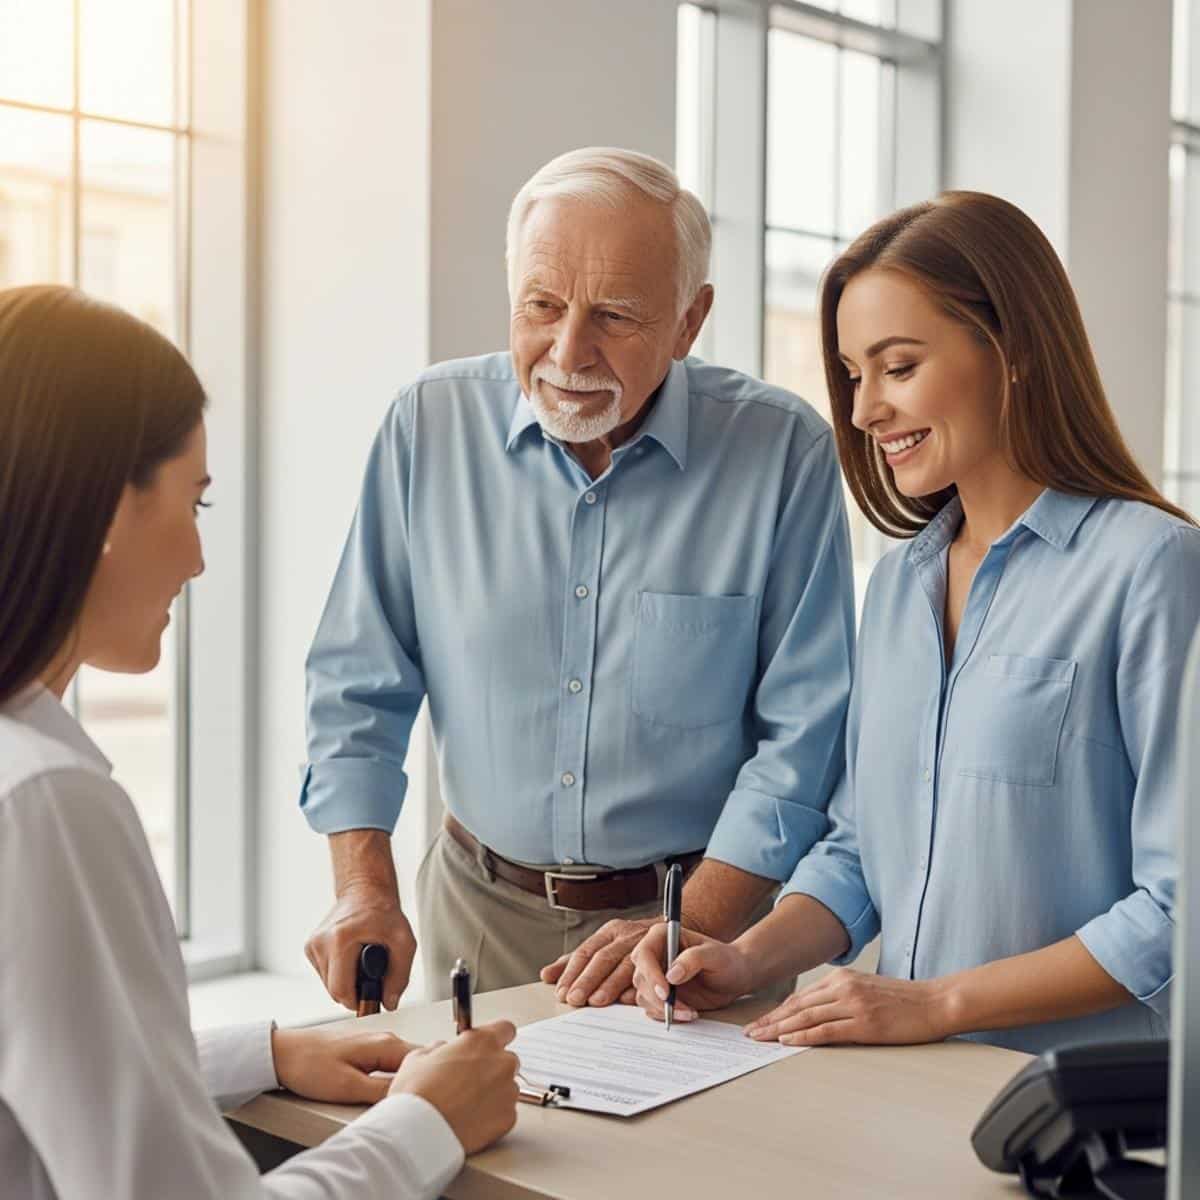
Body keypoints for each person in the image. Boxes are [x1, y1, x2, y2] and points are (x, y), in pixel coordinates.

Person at [631, 191, 1200, 1056]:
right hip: (904, 1093)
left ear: (1012, 349)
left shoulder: (1153, 570)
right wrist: (744, 960)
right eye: (854, 376)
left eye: (897, 368)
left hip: (1081, 1112)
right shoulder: (900, 582)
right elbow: (863, 850)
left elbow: (1177, 907)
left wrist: (936, 1004)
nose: (862, 413)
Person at [301, 147, 856, 1010]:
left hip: (699, 931)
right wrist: (364, 885)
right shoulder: (428, 426)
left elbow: (808, 736)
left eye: (615, 316)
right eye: (543, 306)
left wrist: (696, 922)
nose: (567, 351)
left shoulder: (782, 453)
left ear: (689, 320)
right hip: (477, 914)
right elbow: (355, 683)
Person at [0, 285, 520, 1199]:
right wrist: (428, 1123)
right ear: (107, 509)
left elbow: (49, 1050)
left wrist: (266, 1052)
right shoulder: (44, 804)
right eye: (194, 503)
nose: (199, 560)